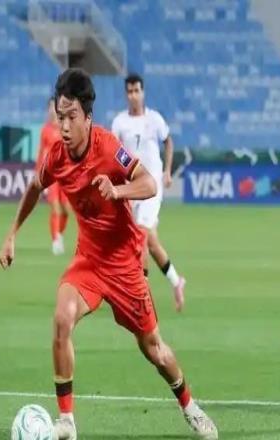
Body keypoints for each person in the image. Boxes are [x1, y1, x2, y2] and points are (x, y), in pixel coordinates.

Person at [0, 68, 218, 440]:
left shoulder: (108, 147)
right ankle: (66, 421)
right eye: (59, 116)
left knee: (154, 349)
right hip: (89, 260)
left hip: (124, 264)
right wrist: (11, 235)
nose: (64, 126)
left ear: (87, 117)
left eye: (71, 117)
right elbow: (35, 186)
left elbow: (148, 183)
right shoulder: (56, 156)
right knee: (62, 319)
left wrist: (118, 191)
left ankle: (190, 407)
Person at [112, 73, 186, 312]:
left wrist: (167, 171)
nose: (133, 96)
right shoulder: (120, 122)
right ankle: (176, 281)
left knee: (140, 237)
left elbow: (168, 141)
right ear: (126, 94)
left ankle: (139, 296)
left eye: (137, 91)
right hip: (132, 188)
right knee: (151, 242)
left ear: (143, 93)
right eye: (130, 92)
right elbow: (116, 153)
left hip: (152, 188)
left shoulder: (154, 119)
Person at [36, 97, 69, 255]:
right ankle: (55, 240)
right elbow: (41, 153)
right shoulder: (45, 130)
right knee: (55, 207)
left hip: (66, 175)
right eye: (49, 107)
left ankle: (59, 234)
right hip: (51, 175)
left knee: (66, 210)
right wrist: (39, 175)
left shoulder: (66, 127)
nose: (52, 110)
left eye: (54, 107)